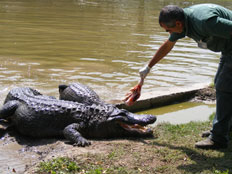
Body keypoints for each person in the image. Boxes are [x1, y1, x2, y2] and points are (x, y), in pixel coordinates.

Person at [139, 3, 232, 149]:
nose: (168, 32)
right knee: (221, 85)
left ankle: (219, 139)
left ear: (177, 23)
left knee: (224, 87)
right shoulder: (182, 23)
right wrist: (148, 67)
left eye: (168, 29)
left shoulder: (205, 22)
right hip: (227, 49)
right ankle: (224, 128)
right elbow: (168, 45)